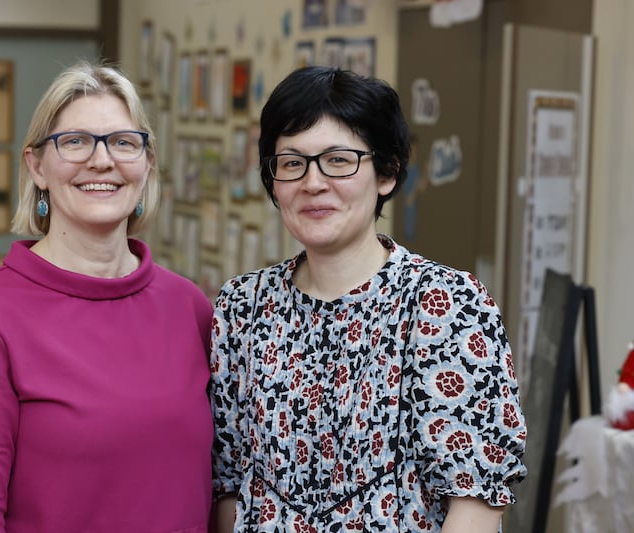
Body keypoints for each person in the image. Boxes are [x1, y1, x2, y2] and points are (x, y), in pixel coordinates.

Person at [209, 66, 526, 532]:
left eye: (339, 160)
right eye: (292, 163)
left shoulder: (444, 304)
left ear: (387, 173)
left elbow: (474, 502)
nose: (312, 183)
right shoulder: (242, 306)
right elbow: (229, 484)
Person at [0, 59, 214, 533]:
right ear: (37, 165)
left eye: (123, 142)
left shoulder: (190, 308)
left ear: (147, 164)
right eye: (75, 142)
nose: (102, 161)